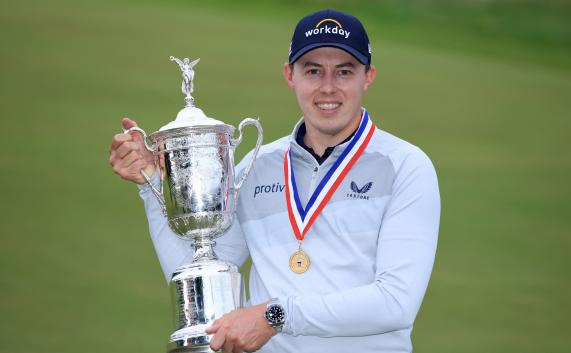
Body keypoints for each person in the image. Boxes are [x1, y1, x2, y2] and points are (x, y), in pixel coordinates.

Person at [109, 9, 440, 353]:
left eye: (344, 71)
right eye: (313, 71)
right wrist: (150, 184)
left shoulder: (405, 166)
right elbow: (196, 273)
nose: (328, 87)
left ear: (368, 77)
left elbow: (396, 302)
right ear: (290, 75)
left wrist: (274, 316)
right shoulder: (257, 165)